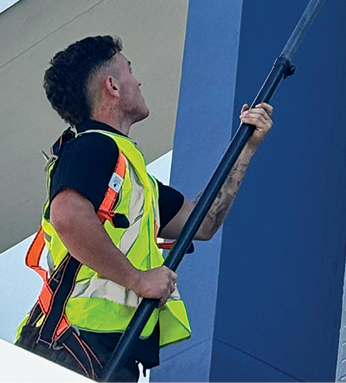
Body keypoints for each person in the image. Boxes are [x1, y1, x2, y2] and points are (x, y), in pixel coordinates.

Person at [16, 35, 273, 381]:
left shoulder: (134, 176)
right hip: (73, 344)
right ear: (112, 86)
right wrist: (138, 280)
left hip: (100, 350)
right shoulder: (92, 147)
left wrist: (246, 147)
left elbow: (203, 222)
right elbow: (68, 217)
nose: (138, 82)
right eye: (129, 71)